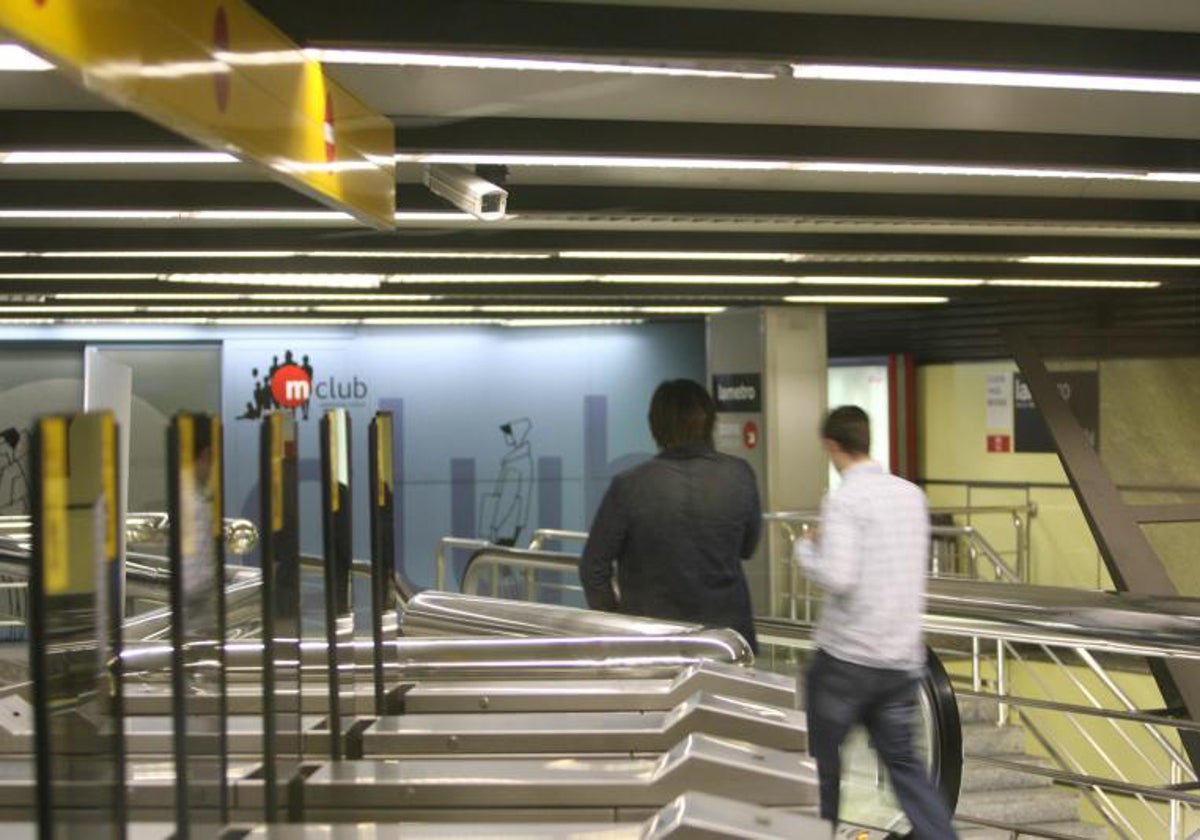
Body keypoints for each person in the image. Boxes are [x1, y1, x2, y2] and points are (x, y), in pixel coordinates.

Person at [796, 406, 957, 839]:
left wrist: (806, 548)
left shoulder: (844, 501)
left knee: (821, 771)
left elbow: (839, 576)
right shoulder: (912, 496)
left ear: (833, 446)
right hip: (900, 659)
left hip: (846, 660)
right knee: (906, 768)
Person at [579, 379, 761, 651]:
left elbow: (593, 567)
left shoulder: (629, 485)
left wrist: (617, 619)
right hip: (727, 640)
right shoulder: (740, 474)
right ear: (710, 422)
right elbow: (747, 548)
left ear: (655, 426)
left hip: (651, 640)